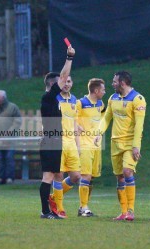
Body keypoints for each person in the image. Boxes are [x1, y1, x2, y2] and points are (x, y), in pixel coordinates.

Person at [99, 71, 146, 221]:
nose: (112, 84)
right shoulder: (113, 98)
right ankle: (124, 211)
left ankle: (131, 210)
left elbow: (139, 126)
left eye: (114, 82)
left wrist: (136, 146)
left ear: (123, 83)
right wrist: (97, 133)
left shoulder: (138, 100)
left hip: (130, 143)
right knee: (119, 177)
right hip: (115, 143)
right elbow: (106, 119)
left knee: (127, 172)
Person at [39, 45, 75, 219]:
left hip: (54, 141)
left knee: (53, 176)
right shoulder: (48, 97)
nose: (64, 82)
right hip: (51, 141)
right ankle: (45, 211)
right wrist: (69, 57)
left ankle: (49, 210)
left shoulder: (51, 99)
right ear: (53, 85)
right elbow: (64, 76)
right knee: (48, 176)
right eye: (60, 82)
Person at [48, 75, 82, 219]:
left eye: (69, 81)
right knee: (58, 174)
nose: (66, 84)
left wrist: (78, 145)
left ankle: (54, 197)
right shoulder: (54, 99)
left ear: (72, 83)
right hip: (58, 141)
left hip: (71, 143)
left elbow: (75, 124)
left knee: (75, 176)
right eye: (64, 82)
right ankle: (60, 209)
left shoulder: (74, 100)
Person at [75, 78, 106, 217]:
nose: (105, 92)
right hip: (84, 145)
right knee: (85, 176)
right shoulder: (81, 103)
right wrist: (77, 126)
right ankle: (84, 207)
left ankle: (84, 206)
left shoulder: (101, 104)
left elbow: (105, 119)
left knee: (91, 177)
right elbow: (70, 118)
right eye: (103, 90)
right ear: (96, 90)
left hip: (96, 146)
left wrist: (100, 133)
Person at [0, 90, 22, 185]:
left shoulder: (13, 107)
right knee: (0, 159)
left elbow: (17, 121)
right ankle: (1, 178)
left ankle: (9, 178)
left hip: (10, 139)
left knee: (9, 158)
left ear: (3, 98)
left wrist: (8, 133)